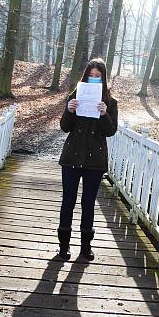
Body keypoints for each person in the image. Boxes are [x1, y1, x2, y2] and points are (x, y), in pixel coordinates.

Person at [57, 58, 118, 261]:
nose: (93, 79)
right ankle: (63, 247)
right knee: (68, 201)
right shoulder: (75, 96)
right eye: (90, 76)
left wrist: (104, 114)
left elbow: (110, 132)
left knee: (88, 203)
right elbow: (65, 127)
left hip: (95, 161)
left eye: (97, 77)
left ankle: (85, 247)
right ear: (85, 76)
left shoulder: (111, 102)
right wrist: (69, 110)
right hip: (71, 157)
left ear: (103, 78)